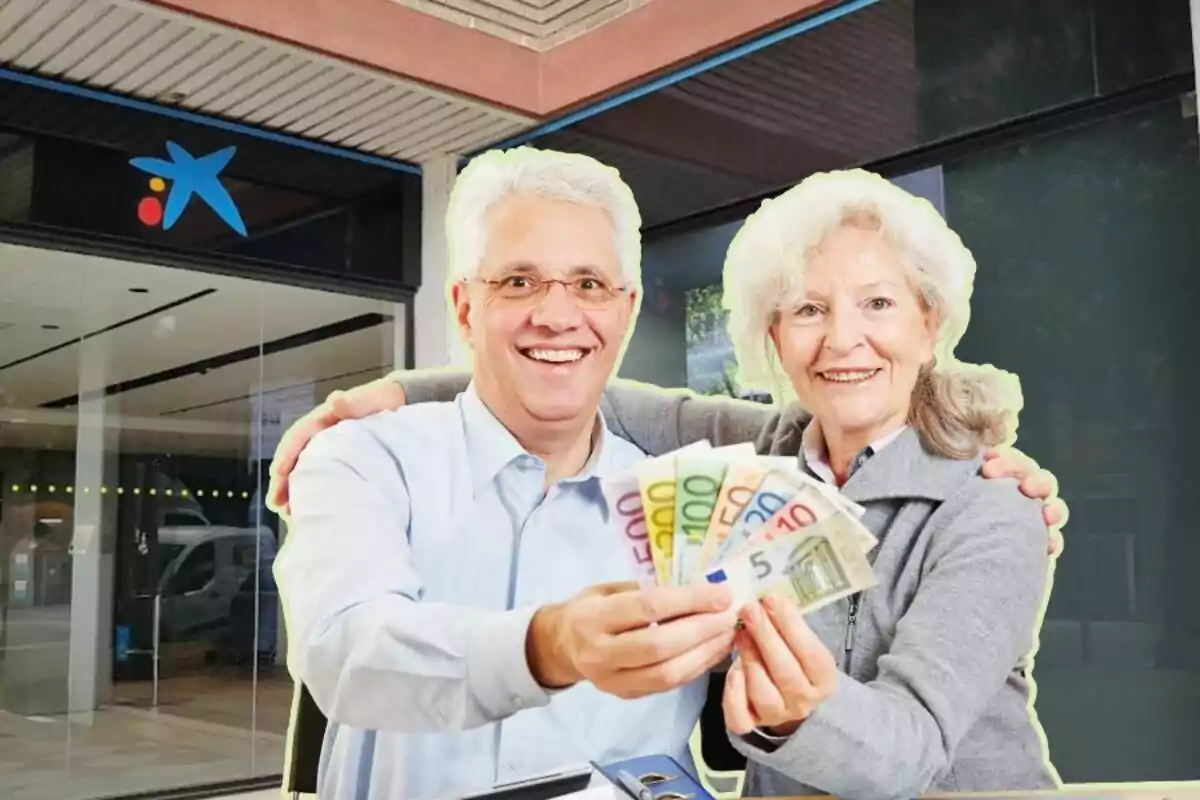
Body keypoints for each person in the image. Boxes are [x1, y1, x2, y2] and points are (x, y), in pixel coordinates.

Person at [270, 166, 1070, 795]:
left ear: (930, 323)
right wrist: (392, 396)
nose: (844, 339)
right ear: (772, 335)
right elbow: (569, 375)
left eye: (879, 304)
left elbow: (913, 752)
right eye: (807, 310)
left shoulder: (988, 504)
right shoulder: (744, 456)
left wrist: (797, 719)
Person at [273, 146, 740, 800]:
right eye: (518, 281)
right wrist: (544, 646)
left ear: (625, 312)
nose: (556, 314)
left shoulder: (692, 506)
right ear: (465, 308)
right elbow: (346, 650)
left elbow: (743, 725)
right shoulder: (362, 458)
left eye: (589, 284)